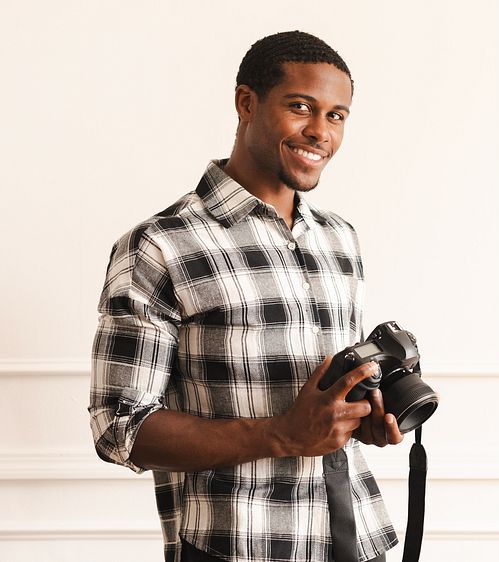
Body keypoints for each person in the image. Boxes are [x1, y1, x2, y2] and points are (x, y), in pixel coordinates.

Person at [89, 31, 402, 562]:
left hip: (357, 537)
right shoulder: (161, 245)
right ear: (246, 102)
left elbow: (321, 396)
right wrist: (282, 435)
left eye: (337, 115)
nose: (319, 131)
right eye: (300, 107)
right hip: (236, 545)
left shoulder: (339, 238)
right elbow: (120, 427)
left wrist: (361, 415)